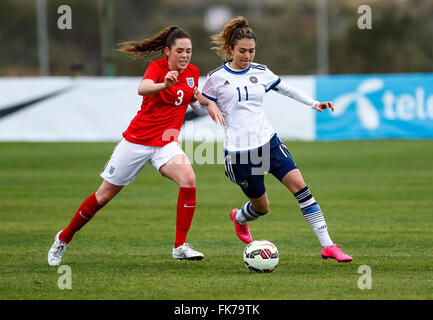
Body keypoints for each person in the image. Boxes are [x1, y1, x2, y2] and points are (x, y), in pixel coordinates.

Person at [48, 26, 224, 266]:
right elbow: (142, 88)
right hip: (137, 141)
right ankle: (64, 237)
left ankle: (180, 246)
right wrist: (164, 84)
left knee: (189, 179)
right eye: (180, 51)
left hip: (165, 144)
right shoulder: (158, 68)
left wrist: (209, 103)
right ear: (167, 51)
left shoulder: (192, 71)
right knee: (103, 196)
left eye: (188, 51)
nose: (185, 55)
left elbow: (192, 95)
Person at [200, 16, 352, 262]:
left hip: (268, 142)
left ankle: (328, 245)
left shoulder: (261, 71)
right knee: (262, 208)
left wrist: (314, 103)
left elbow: (287, 89)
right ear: (230, 49)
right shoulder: (216, 77)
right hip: (240, 153)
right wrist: (208, 104)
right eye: (242, 51)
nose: (247, 56)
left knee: (301, 189)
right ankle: (240, 218)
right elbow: (199, 104)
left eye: (251, 51)